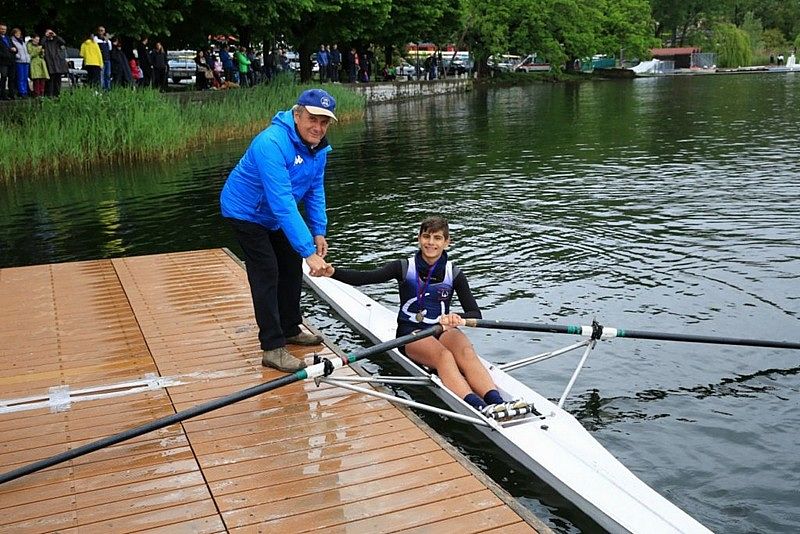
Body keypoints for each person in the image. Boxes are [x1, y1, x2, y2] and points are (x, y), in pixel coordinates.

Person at [322, 216, 533, 419]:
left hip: (441, 329)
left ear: (447, 243)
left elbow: (475, 314)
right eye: (426, 237)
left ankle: (497, 403)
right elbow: (365, 278)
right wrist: (333, 272)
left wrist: (456, 317)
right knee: (445, 357)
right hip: (410, 333)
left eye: (437, 238)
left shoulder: (455, 273)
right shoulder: (403, 267)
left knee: (467, 351)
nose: (431, 243)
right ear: (419, 238)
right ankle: (478, 407)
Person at [220, 88, 337, 372]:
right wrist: (308, 250)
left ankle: (289, 328)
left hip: (274, 215)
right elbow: (283, 202)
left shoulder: (317, 148)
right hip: (246, 211)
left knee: (290, 266)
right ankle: (272, 348)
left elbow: (314, 189)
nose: (318, 127)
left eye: (324, 122)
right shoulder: (271, 143)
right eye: (312, 119)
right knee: (267, 271)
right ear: (297, 115)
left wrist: (318, 230)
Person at [42, 29, 68, 97]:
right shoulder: (45, 41)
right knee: (50, 80)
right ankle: (49, 94)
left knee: (58, 80)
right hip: (49, 62)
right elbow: (41, 44)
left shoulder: (56, 40)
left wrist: (56, 36)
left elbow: (63, 42)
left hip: (57, 63)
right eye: (49, 33)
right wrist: (45, 36)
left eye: (51, 32)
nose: (50, 34)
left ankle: (57, 94)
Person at [0, 23, 17, 100]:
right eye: (2, 29)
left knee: (12, 78)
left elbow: (14, 47)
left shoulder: (8, 38)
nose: (4, 30)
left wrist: (15, 49)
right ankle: (2, 95)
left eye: (5, 29)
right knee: (3, 78)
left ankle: (11, 94)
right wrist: (6, 54)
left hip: (11, 61)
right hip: (3, 62)